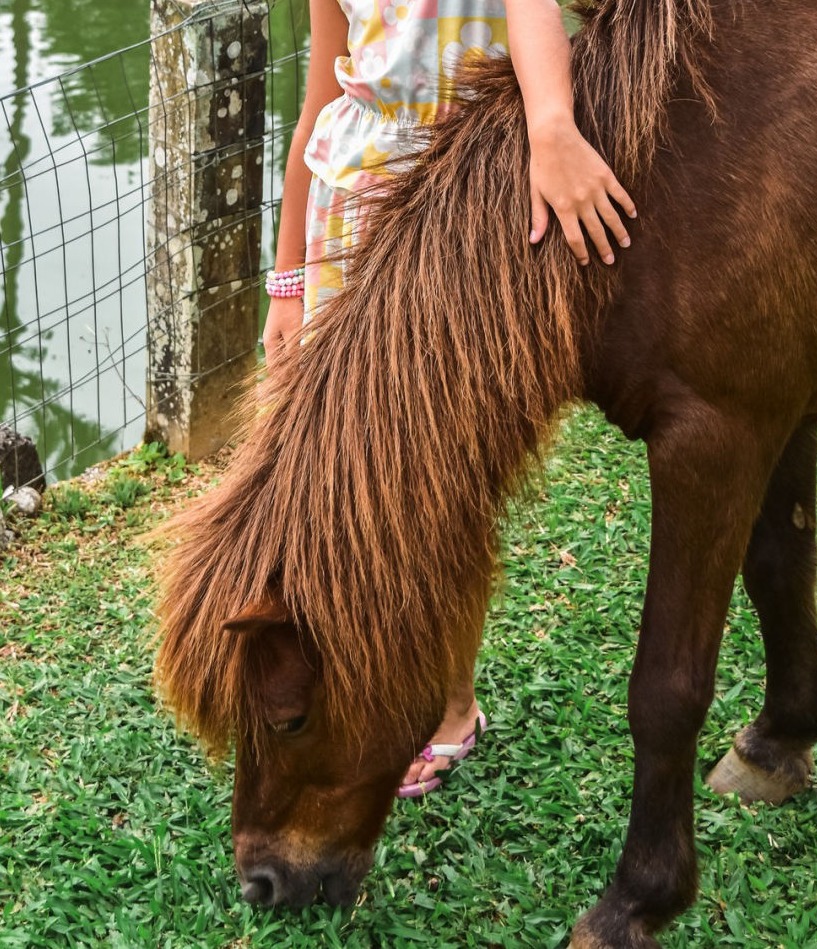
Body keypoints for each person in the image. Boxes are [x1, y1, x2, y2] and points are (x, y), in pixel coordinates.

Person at [262, 0, 636, 797]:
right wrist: (286, 282)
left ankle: (452, 705)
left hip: (459, 204)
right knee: (340, 477)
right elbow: (319, 106)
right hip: (349, 205)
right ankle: (345, 668)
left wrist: (552, 127)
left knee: (442, 480)